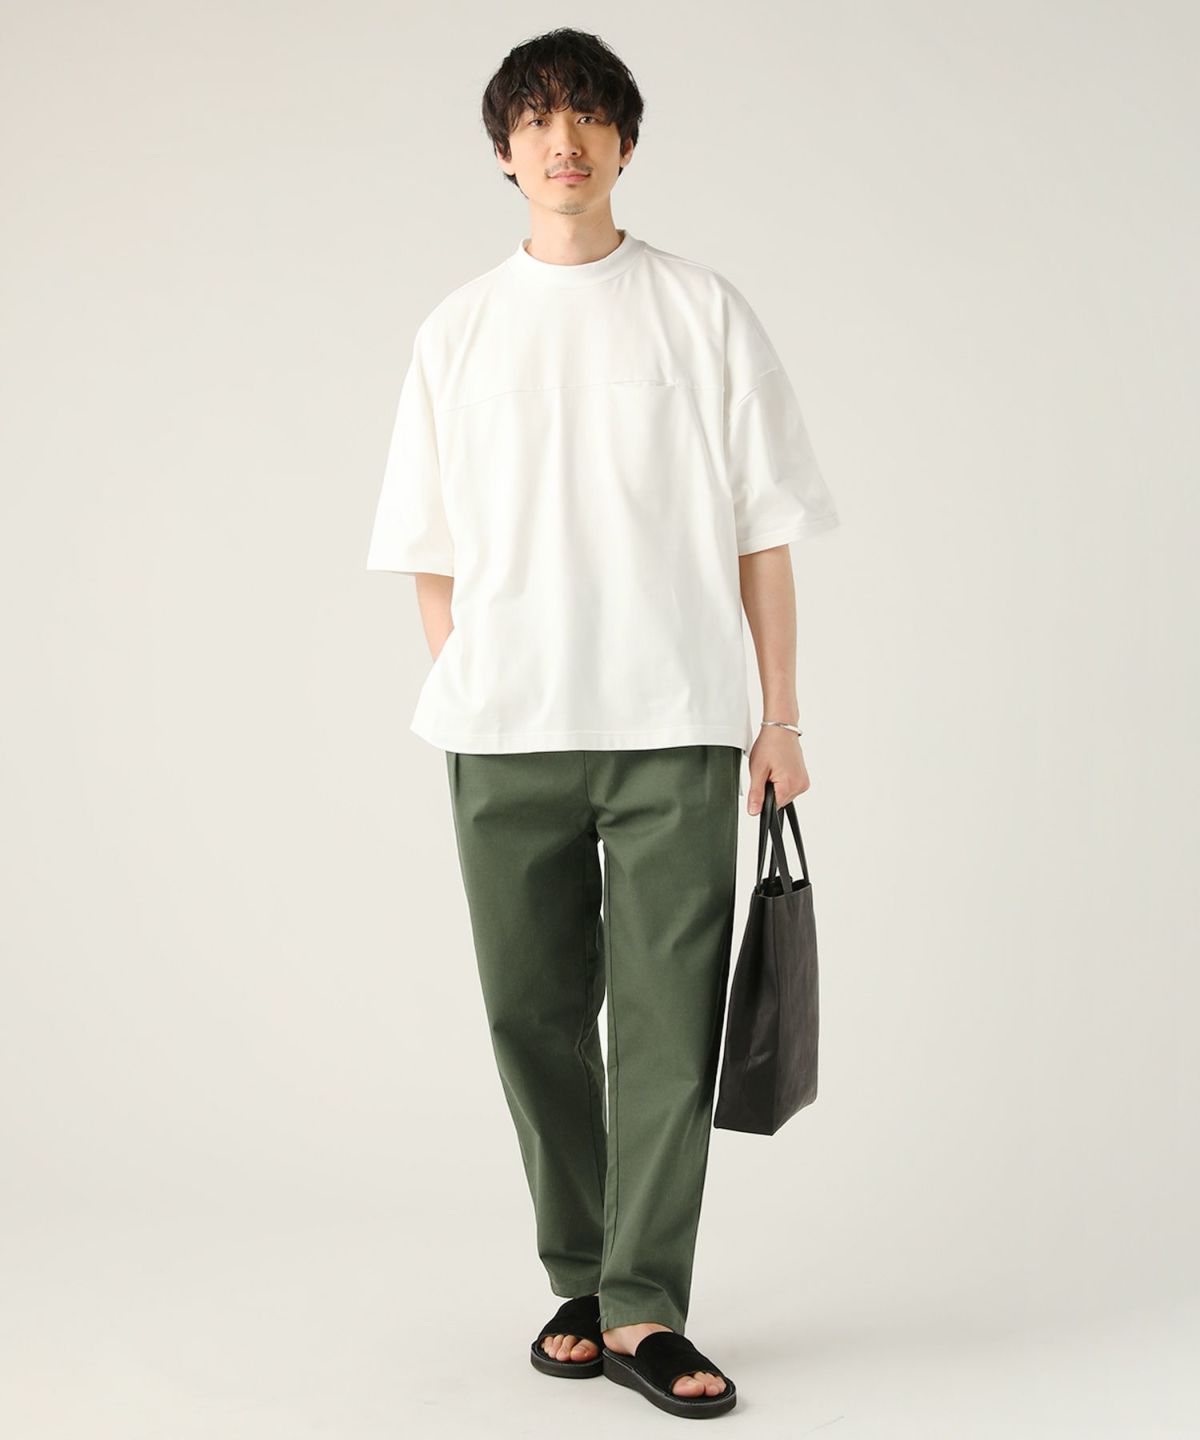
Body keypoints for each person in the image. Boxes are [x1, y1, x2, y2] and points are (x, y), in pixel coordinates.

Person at [366, 27, 839, 1420]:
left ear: (626, 142)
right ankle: (579, 1273)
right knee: (531, 1017)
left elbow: (763, 535)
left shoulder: (701, 311)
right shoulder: (457, 330)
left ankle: (644, 1304)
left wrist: (780, 719)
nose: (562, 140)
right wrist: (482, 673)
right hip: (506, 735)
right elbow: (429, 550)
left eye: (587, 116)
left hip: (676, 725)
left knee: (667, 1027)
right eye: (536, 118)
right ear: (502, 150)